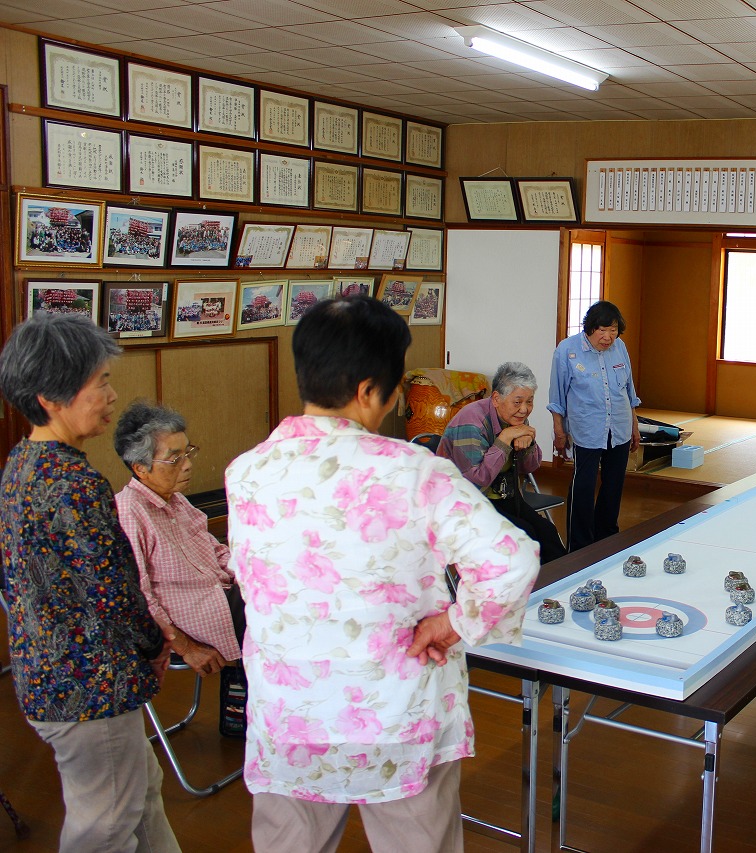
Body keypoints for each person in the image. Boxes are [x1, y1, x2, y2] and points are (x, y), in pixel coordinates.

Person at [225, 296, 539, 853]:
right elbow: (510, 559)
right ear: (371, 390)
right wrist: (454, 623)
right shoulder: (416, 473)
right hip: (396, 714)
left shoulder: (247, 472)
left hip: (291, 715)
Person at [0, 313, 180, 853]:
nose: (112, 395)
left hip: (47, 673)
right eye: (100, 382)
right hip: (88, 687)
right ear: (51, 398)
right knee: (104, 825)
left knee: (141, 794)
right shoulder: (74, 484)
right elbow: (113, 592)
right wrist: (153, 644)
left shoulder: (20, 465)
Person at [113, 401, 249, 736]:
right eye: (174, 458)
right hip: (190, 618)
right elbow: (139, 598)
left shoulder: (176, 500)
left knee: (279, 590)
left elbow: (216, 550)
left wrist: (251, 570)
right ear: (141, 469)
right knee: (277, 614)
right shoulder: (129, 511)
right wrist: (186, 647)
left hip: (220, 595)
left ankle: (249, 711)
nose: (187, 464)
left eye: (187, 452)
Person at [437, 361, 567, 564]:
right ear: (496, 398)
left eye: (530, 401)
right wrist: (504, 440)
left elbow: (529, 467)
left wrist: (529, 442)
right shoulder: (471, 423)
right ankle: (534, 584)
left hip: (503, 496)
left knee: (547, 533)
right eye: (518, 402)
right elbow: (477, 482)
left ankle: (561, 582)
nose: (524, 409)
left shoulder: (515, 418)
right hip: (465, 502)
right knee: (525, 538)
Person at [548, 300, 641, 551]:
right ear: (589, 327)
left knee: (613, 487)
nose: (608, 337)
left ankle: (607, 540)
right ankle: (579, 547)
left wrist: (634, 426)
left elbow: (629, 391)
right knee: (584, 487)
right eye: (602, 330)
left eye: (613, 330)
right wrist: (559, 431)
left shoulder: (620, 347)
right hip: (586, 429)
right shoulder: (567, 350)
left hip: (619, 427)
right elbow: (557, 397)